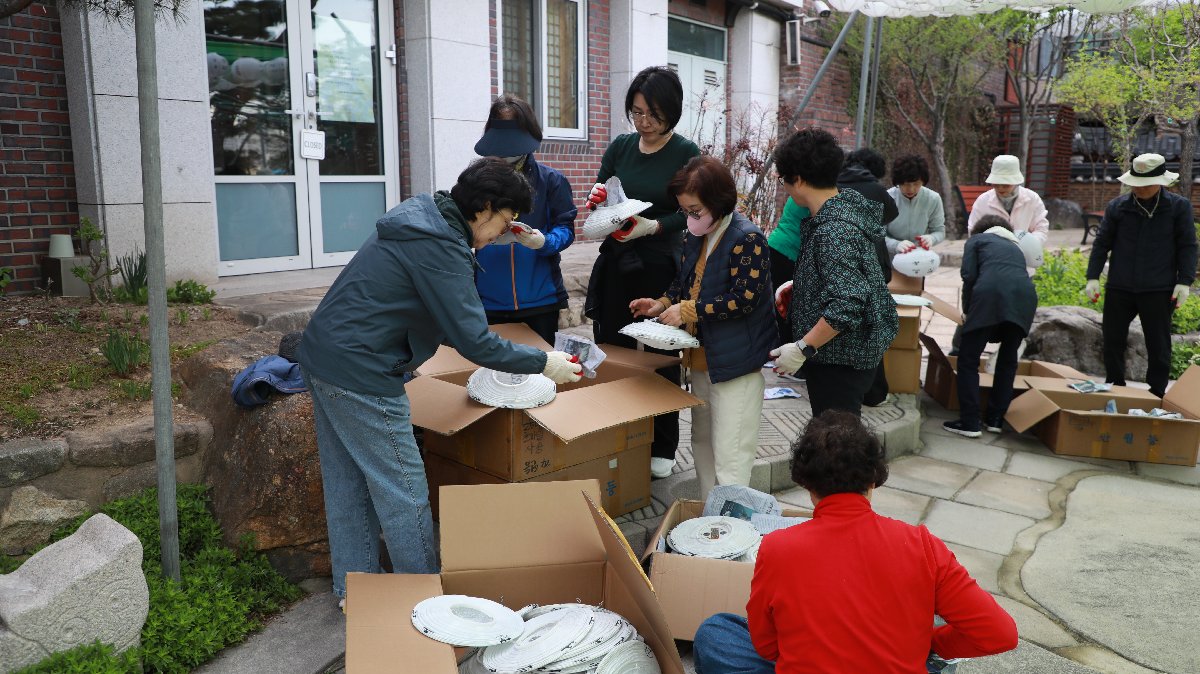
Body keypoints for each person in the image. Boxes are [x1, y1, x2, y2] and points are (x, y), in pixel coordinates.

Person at [297, 158, 583, 602]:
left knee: (348, 482)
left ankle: (354, 592)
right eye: (505, 220)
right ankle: (428, 601)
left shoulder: (425, 218)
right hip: (362, 371)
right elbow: (474, 340)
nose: (503, 232)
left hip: (324, 356)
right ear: (485, 207)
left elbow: (451, 322)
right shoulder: (441, 246)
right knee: (405, 491)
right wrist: (544, 363)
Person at [692, 411, 1018, 674]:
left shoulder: (778, 547)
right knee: (925, 621)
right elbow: (1000, 634)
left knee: (716, 632)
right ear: (874, 480)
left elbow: (767, 648)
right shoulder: (921, 544)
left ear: (806, 483)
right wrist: (933, 643)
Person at [629, 156, 777, 501]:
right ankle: (714, 517)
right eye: (685, 211)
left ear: (717, 200)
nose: (690, 218)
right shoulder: (696, 235)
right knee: (703, 442)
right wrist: (662, 304)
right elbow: (684, 283)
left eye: (695, 210)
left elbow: (745, 299)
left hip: (736, 363)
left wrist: (688, 309)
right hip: (700, 358)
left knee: (731, 451)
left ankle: (733, 529)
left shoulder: (748, 238)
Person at [584, 66, 701, 479]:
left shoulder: (687, 152)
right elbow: (602, 197)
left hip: (661, 265)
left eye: (652, 114)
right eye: (635, 112)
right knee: (610, 349)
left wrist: (654, 226)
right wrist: (598, 200)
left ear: (672, 112)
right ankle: (616, 434)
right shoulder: (620, 146)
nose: (643, 122)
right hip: (618, 260)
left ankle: (663, 444)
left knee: (661, 352)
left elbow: (692, 210)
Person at [769, 128, 898, 418]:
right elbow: (851, 281)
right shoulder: (841, 211)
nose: (785, 187)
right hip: (849, 354)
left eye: (784, 180)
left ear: (798, 180)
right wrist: (802, 288)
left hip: (841, 359)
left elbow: (847, 304)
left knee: (835, 445)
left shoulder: (833, 229)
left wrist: (802, 347)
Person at [1085, 153, 1198, 398]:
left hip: (1159, 287)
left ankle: (1156, 391)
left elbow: (1188, 245)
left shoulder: (1178, 207)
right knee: (1112, 339)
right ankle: (1115, 385)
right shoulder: (1118, 207)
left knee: (1158, 343)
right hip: (1120, 285)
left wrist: (1184, 281)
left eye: (1146, 184)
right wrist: (1092, 277)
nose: (1140, 189)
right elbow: (1102, 244)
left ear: (1161, 181)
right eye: (1136, 184)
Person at [473, 95, 577, 345]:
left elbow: (566, 228)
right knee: (492, 376)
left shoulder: (552, 180)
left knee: (540, 373)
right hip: (488, 299)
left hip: (540, 299)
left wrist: (543, 242)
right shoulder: (475, 180)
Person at [943, 215, 1038, 438]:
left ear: (980, 230)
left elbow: (969, 276)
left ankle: (970, 422)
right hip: (1025, 299)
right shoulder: (1015, 247)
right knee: (1007, 362)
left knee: (968, 359)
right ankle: (995, 419)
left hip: (990, 296)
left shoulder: (976, 241)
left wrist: (968, 311)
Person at [837, 147, 898, 408]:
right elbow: (891, 214)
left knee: (840, 327)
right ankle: (875, 393)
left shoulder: (834, 184)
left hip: (840, 260)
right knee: (873, 326)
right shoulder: (875, 190)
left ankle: (847, 389)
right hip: (871, 260)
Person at [966, 155, 1049, 242]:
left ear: (1015, 182)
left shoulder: (1032, 199)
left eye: (1006, 185)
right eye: (996, 184)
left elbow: (1041, 228)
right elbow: (973, 231)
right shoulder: (982, 201)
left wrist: (1028, 244)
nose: (1000, 188)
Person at [767, 196, 810, 346]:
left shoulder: (799, 187)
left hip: (776, 245)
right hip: (789, 253)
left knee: (774, 306)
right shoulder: (814, 189)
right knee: (784, 309)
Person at [886, 153, 946, 256]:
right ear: (898, 182)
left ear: (923, 181)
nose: (911, 189)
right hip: (888, 257)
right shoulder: (886, 198)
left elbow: (939, 231)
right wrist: (895, 244)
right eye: (905, 184)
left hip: (917, 257)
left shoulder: (933, 199)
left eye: (916, 184)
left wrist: (931, 238)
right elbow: (876, 234)